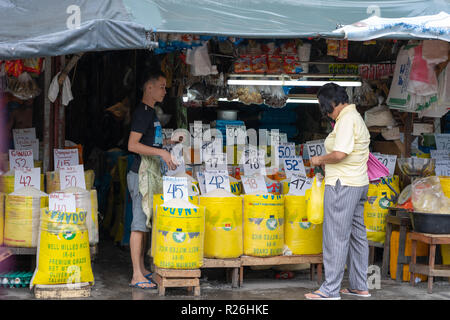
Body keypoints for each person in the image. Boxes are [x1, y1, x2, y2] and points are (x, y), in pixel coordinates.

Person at [304, 83, 371, 300]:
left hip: (343, 185)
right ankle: (360, 285)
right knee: (357, 236)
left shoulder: (346, 120)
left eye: (326, 107)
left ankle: (330, 289)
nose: (326, 112)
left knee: (335, 236)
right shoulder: (355, 118)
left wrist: (319, 159)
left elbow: (340, 153)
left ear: (332, 103)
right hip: (358, 183)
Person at [127, 69, 177, 289]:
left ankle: (143, 269)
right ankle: (136, 274)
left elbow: (151, 142)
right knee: (138, 224)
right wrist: (162, 153)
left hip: (150, 172)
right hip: (140, 174)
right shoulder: (142, 112)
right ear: (149, 87)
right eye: (162, 86)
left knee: (145, 221)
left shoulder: (151, 112)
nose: (165, 91)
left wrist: (168, 144)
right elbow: (133, 145)